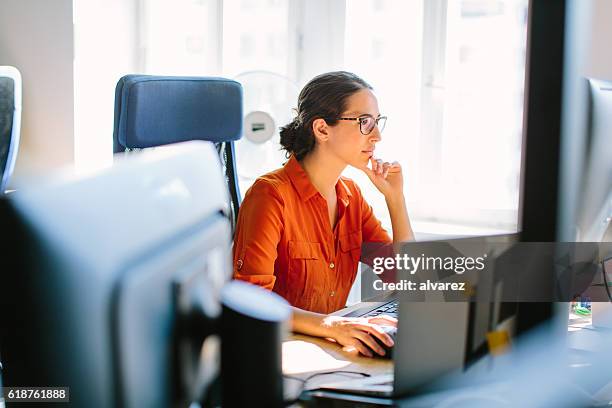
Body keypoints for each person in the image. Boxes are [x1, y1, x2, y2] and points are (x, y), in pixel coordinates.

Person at [233, 71, 414, 357]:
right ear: (322, 130)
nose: (377, 136)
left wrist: (395, 199)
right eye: (364, 122)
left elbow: (406, 278)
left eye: (377, 122)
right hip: (276, 353)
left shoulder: (351, 196)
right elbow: (251, 302)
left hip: (330, 348)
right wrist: (331, 324)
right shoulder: (270, 195)